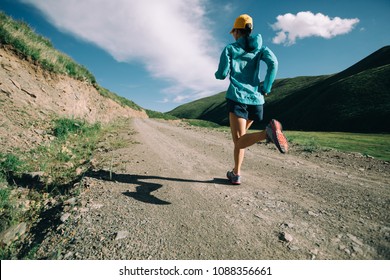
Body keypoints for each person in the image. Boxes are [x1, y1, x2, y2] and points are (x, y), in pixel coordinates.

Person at [215, 14, 288, 185]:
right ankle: (236, 173)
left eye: (233, 32)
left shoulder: (230, 49)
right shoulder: (261, 48)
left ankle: (267, 132)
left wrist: (218, 74)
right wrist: (267, 87)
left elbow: (222, 74)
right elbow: (274, 63)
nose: (232, 35)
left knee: (239, 140)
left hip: (238, 98)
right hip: (256, 100)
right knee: (242, 138)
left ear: (236, 31)